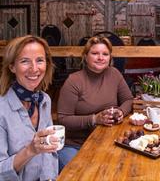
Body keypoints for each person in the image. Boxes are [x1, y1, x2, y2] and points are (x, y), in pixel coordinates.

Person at [57, 36, 133, 171]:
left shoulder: (114, 74)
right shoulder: (74, 81)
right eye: (95, 53)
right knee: (82, 174)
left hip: (107, 141)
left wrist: (121, 111)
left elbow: (128, 100)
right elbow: (63, 119)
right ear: (85, 56)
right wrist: (94, 119)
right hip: (76, 145)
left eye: (105, 54)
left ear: (110, 57)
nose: (100, 58)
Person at [0, 35, 59, 180]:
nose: (34, 69)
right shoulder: (2, 108)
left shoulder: (44, 100)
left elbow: (49, 154)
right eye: (25, 61)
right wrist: (31, 150)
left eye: (40, 60)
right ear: (12, 67)